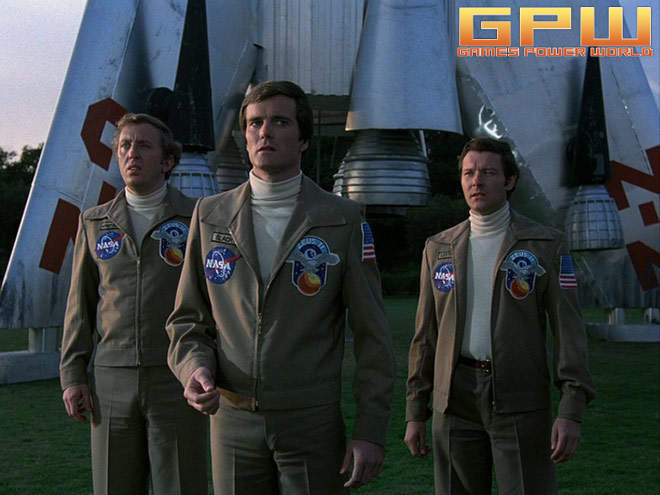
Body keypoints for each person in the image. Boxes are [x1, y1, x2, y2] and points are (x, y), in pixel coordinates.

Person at [166, 80, 395, 494]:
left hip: (311, 422)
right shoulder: (209, 215)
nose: (265, 132)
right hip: (231, 421)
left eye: (280, 122)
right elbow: (187, 319)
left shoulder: (342, 219)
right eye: (255, 123)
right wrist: (193, 368)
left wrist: (370, 430)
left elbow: (373, 336)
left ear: (304, 138)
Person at [404, 137, 595, 494]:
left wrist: (571, 409)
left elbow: (569, 332)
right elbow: (424, 337)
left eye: (488, 172)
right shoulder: (439, 247)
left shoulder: (544, 245)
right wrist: (416, 410)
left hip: (520, 397)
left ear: (510, 180)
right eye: (469, 173)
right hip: (454, 400)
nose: (476, 181)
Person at [60, 113, 208, 495]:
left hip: (177, 377)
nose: (132, 153)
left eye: (143, 145)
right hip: (111, 380)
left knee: (180, 485)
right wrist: (73, 376)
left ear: (167, 160)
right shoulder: (95, 222)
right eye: (125, 145)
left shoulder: (199, 218)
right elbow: (80, 306)